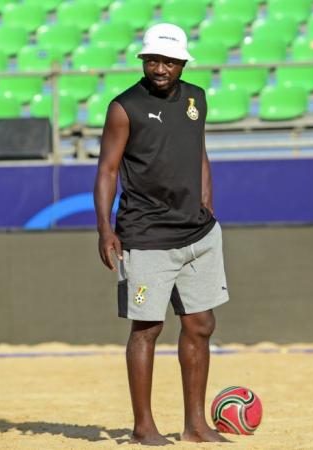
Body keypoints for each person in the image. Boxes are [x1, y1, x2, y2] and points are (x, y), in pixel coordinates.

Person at [93, 23, 230, 446]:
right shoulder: (124, 107)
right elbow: (107, 171)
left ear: (183, 63)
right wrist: (104, 229)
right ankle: (144, 428)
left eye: (169, 61)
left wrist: (206, 199)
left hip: (199, 235)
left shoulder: (197, 99)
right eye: (153, 59)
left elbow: (199, 151)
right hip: (146, 237)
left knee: (201, 324)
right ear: (143, 60)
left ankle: (196, 426)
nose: (160, 67)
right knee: (146, 328)